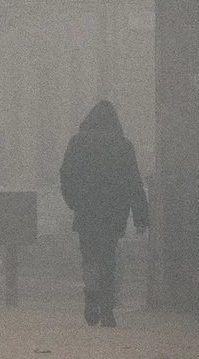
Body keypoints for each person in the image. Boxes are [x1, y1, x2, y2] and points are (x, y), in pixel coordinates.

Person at [59, 99, 149, 328]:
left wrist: (73, 201)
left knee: (90, 257)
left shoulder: (77, 143)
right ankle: (107, 309)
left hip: (87, 211)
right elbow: (133, 181)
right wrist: (140, 216)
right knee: (108, 259)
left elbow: (66, 173)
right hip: (113, 212)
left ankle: (91, 296)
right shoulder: (123, 146)